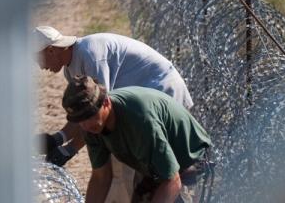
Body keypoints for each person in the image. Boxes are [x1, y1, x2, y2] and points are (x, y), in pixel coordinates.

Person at [36, 26, 193, 168]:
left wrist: (70, 149)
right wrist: (57, 139)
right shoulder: (70, 69)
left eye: (38, 60)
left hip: (162, 90)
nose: (41, 67)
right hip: (143, 99)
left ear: (51, 50)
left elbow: (99, 112)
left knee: (156, 166)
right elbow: (83, 113)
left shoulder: (89, 55)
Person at [63, 76, 213, 203]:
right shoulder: (91, 128)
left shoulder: (139, 120)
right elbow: (101, 177)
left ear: (106, 103)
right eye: (80, 120)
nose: (87, 125)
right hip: (156, 170)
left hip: (189, 164)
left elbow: (172, 180)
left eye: (90, 116)